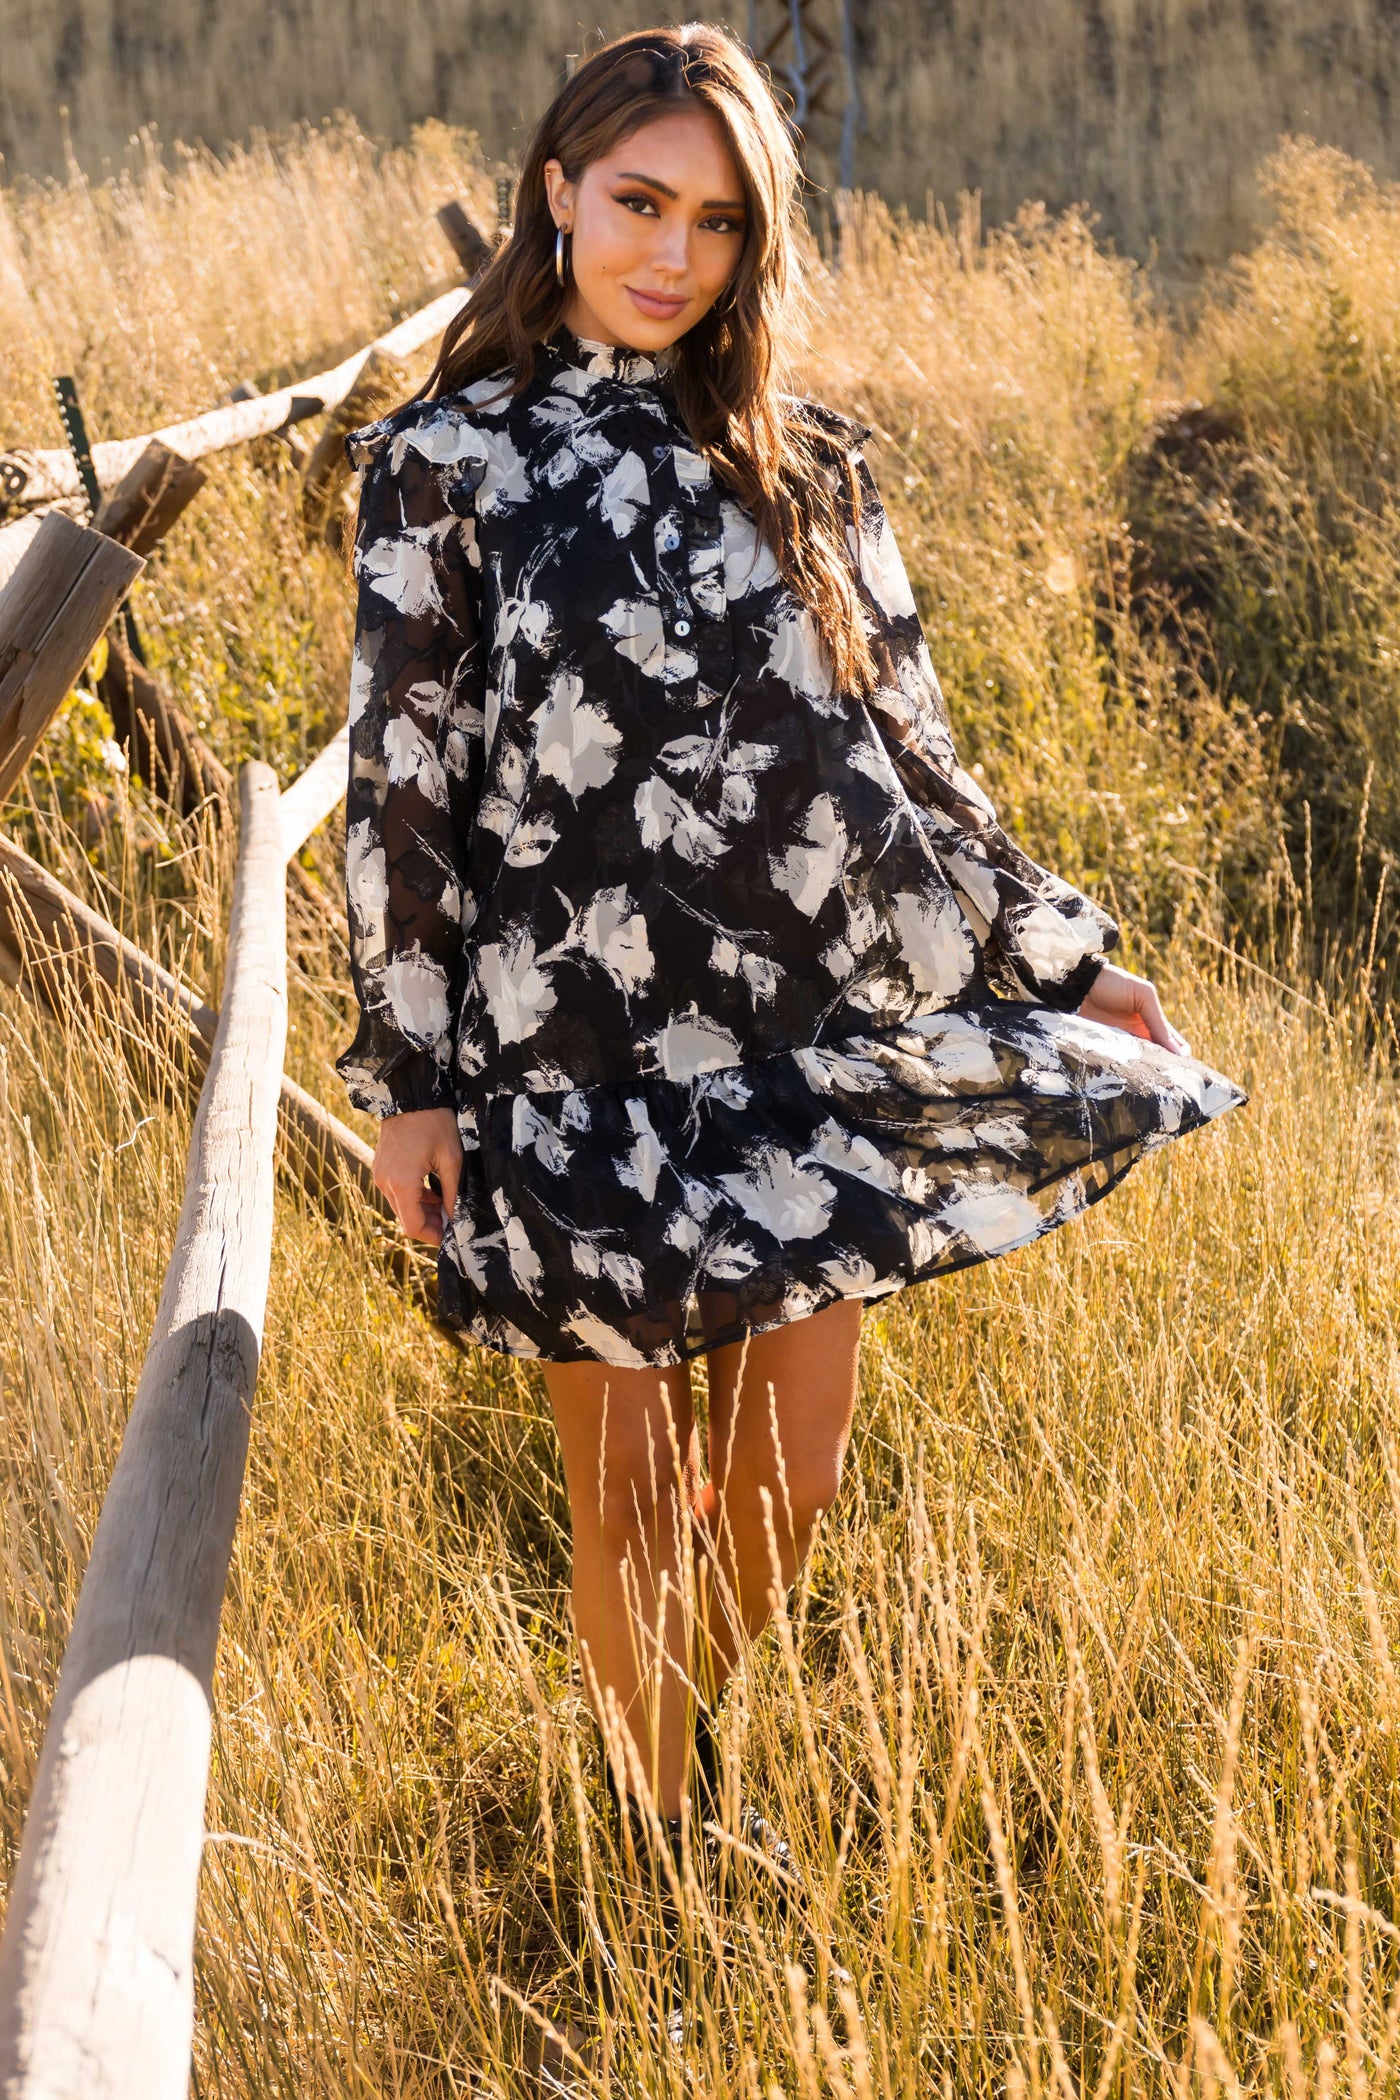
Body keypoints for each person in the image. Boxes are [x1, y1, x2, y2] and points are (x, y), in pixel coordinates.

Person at [334, 21, 1244, 1901]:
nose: (672, 255)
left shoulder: (806, 462)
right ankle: (651, 1833)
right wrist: (409, 1082)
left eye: (721, 224)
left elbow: (915, 749)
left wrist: (1066, 963)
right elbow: (402, 789)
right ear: (559, 194)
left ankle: (659, 1734)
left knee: (796, 1473)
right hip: (563, 1053)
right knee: (632, 1493)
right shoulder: (444, 462)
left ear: (758, 247)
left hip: (799, 1037)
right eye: (641, 203)